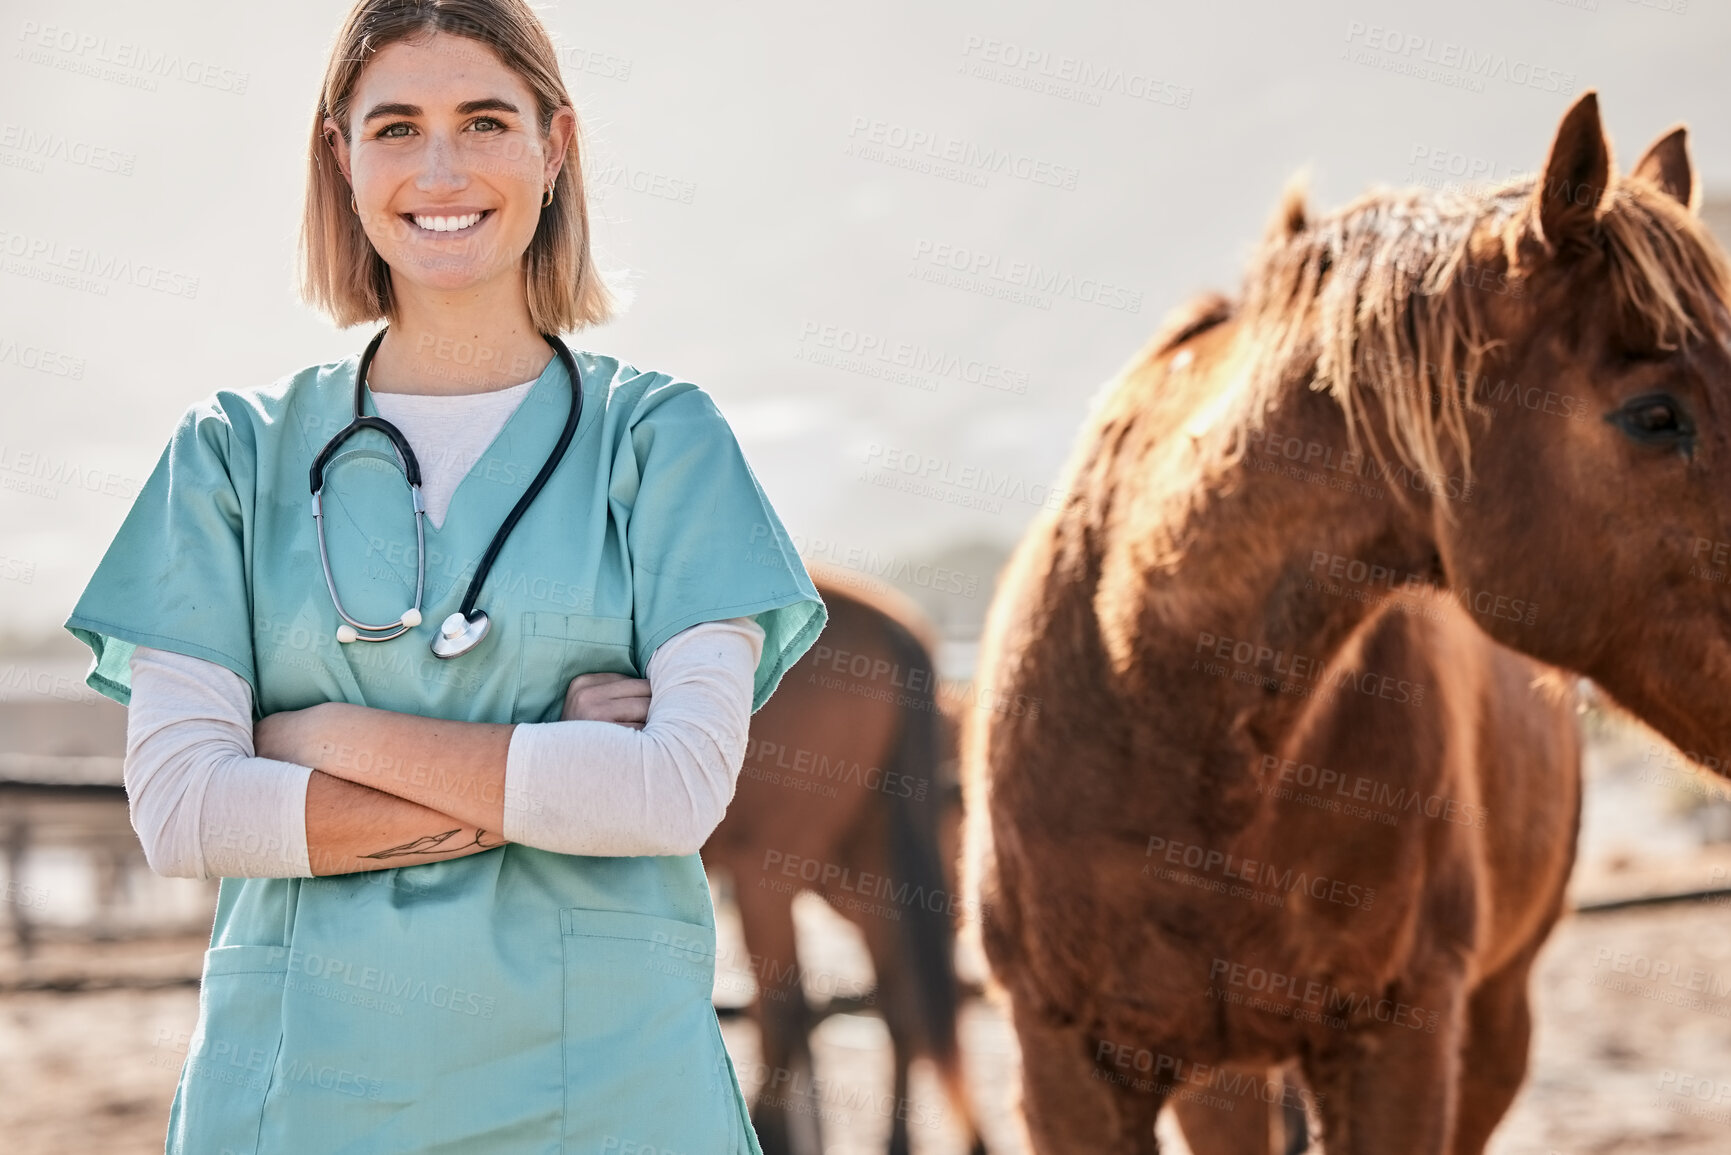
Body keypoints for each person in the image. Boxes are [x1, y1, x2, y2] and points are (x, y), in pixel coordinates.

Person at [61, 1, 825, 1150]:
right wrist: (555, 779)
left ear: (552, 144)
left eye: (483, 120)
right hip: (302, 1093)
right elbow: (185, 812)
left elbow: (670, 795)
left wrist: (309, 734)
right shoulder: (229, 453)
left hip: (609, 1100)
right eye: (396, 127)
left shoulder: (664, 444)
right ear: (340, 156)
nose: (440, 167)